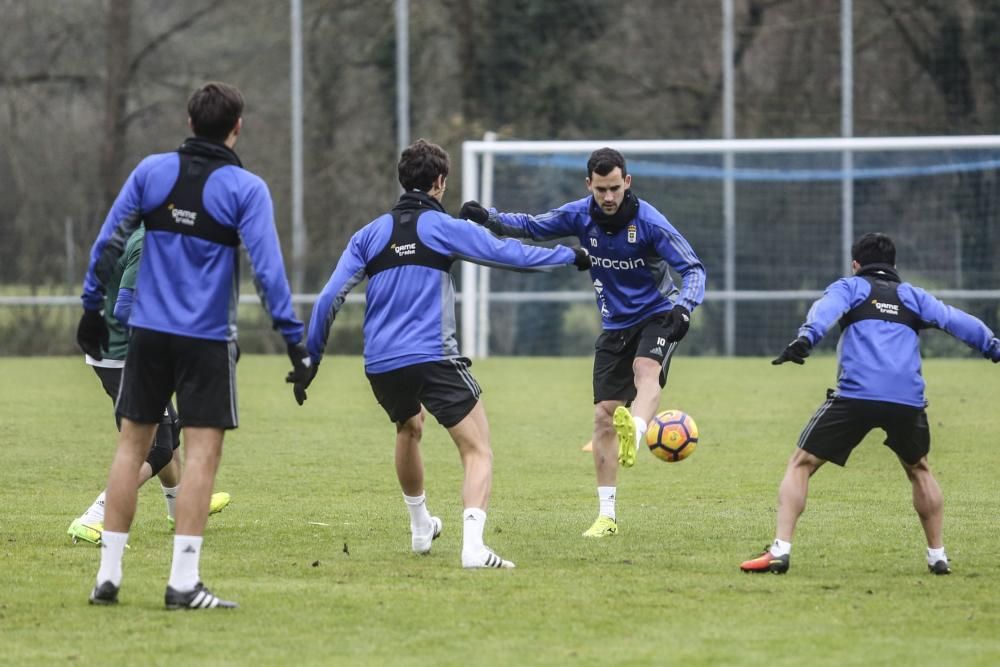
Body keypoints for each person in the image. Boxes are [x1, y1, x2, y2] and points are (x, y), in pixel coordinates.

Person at [293, 139, 589, 569]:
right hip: (432, 356)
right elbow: (509, 254)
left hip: (381, 363)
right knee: (478, 450)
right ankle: (473, 548)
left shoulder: (368, 235)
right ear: (439, 183)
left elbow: (327, 300)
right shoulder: (444, 227)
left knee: (408, 427)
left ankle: (420, 528)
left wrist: (311, 360)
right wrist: (570, 256)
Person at [77, 82, 308, 609]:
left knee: (131, 447)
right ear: (237, 128)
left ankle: (107, 577)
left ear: (188, 123)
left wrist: (91, 308)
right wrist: (294, 341)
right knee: (201, 455)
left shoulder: (151, 172)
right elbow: (268, 273)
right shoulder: (245, 188)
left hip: (148, 336)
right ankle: (183, 582)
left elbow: (109, 242)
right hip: (205, 341)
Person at [459, 147, 706, 538]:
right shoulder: (578, 214)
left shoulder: (650, 223)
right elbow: (531, 226)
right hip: (614, 324)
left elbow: (692, 268)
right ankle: (607, 517)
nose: (608, 198)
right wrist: (489, 218)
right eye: (601, 190)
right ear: (588, 185)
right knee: (603, 415)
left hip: (659, 313)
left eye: (615, 188)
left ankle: (638, 432)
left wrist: (684, 308)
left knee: (647, 370)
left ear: (627, 182)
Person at [740, 232, 1000, 575]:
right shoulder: (912, 296)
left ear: (855, 265)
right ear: (894, 266)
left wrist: (807, 337)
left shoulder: (851, 287)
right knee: (919, 469)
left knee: (801, 464)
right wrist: (993, 347)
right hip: (907, 400)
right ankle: (937, 555)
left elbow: (826, 309)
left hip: (856, 396)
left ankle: (780, 550)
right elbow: (958, 321)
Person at [68, 225, 231, 546]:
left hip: (116, 353)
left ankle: (182, 507)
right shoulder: (146, 243)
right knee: (156, 447)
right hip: (123, 357)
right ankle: (93, 517)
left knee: (169, 433)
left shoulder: (132, 231)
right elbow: (126, 307)